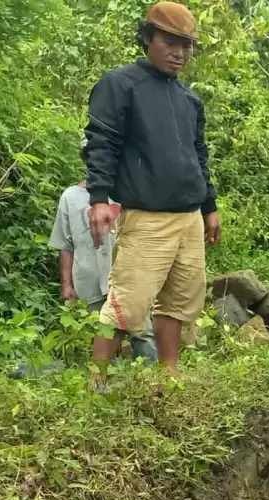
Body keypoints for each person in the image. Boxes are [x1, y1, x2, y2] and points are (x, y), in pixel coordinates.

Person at [81, 2, 220, 387]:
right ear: (148, 38)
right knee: (127, 303)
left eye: (187, 45)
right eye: (170, 43)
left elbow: (198, 155)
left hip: (188, 216)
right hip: (146, 215)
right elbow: (101, 142)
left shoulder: (189, 99)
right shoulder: (121, 84)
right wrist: (99, 198)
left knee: (180, 301)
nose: (179, 53)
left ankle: (168, 376)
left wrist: (209, 206)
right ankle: (97, 381)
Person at [49, 181, 156, 360]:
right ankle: (102, 385)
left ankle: (156, 382)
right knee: (99, 336)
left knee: (142, 333)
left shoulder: (130, 190)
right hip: (89, 281)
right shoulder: (70, 197)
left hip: (128, 278)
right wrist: (66, 285)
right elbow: (65, 245)